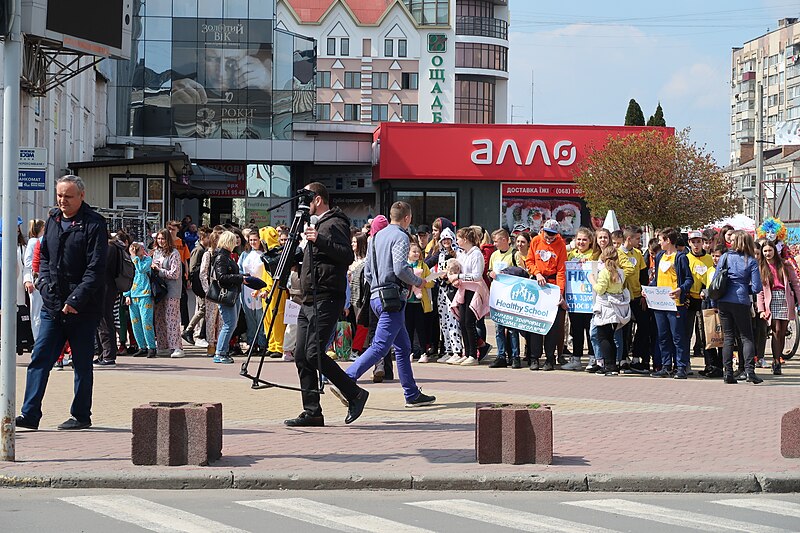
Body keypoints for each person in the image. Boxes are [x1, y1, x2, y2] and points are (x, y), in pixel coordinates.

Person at [16, 175, 108, 431]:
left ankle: (80, 415)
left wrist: (76, 299)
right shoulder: (54, 220)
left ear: (82, 196)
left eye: (68, 196)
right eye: (59, 195)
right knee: (40, 358)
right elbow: (44, 257)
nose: (62, 201)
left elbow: (95, 268)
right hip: (52, 305)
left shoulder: (94, 224)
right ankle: (30, 414)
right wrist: (44, 285)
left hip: (82, 308)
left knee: (81, 363)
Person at [285, 182, 370, 427]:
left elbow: (345, 255)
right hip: (308, 298)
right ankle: (312, 412)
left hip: (327, 296)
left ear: (318, 199)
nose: (305, 203)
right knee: (302, 355)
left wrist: (319, 239)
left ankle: (354, 393)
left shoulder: (335, 222)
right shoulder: (315, 225)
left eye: (308, 198)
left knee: (313, 353)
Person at [343, 201, 436, 408]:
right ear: (407, 218)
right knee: (380, 347)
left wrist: (378, 285)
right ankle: (347, 379)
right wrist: (418, 281)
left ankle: (411, 393)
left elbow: (367, 271)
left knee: (403, 347)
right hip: (392, 299)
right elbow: (400, 268)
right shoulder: (401, 236)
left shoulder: (376, 237)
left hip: (377, 296)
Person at [712, 230, 763, 384]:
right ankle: (749, 371)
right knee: (746, 336)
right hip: (740, 300)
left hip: (724, 300)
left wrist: (715, 302)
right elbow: (756, 287)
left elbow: (715, 280)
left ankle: (728, 373)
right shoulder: (751, 261)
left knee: (728, 337)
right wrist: (744, 288)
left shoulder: (725, 257)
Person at [649, 227, 694, 379]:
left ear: (668, 241)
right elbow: (657, 278)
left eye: (661, 240)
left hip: (675, 303)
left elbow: (689, 279)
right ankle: (665, 365)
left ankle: (681, 366)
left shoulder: (680, 257)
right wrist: (649, 289)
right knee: (662, 335)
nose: (659, 243)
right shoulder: (660, 255)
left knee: (678, 336)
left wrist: (681, 289)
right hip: (660, 302)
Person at [526, 219, 568, 371]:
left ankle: (550, 358)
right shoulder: (536, 241)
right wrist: (536, 273)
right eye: (547, 234)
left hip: (553, 284)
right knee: (536, 323)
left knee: (552, 325)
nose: (549, 238)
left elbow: (562, 270)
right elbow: (529, 261)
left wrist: (560, 292)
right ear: (542, 230)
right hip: (538, 283)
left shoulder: (561, 244)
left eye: (553, 235)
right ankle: (534, 358)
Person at [757, 240, 800, 376]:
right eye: (765, 251)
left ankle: (778, 358)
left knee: (782, 332)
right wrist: (761, 309)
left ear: (775, 251)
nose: (767, 253)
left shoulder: (785, 265)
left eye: (770, 250)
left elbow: (795, 283)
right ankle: (776, 362)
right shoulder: (761, 267)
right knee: (776, 330)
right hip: (771, 300)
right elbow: (760, 291)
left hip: (786, 299)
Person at [589, 246, 631, 375]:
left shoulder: (604, 272)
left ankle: (608, 365)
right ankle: (613, 364)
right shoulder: (620, 272)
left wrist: (592, 281)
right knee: (611, 336)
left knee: (602, 337)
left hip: (605, 307)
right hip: (616, 306)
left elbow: (600, 289)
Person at [487, 228, 521, 369]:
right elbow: (489, 270)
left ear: (505, 240)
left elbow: (521, 272)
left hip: (510, 296)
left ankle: (515, 356)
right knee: (498, 328)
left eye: (496, 241)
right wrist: (491, 274)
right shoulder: (494, 255)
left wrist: (508, 273)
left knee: (512, 328)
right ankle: (501, 355)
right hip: (498, 294)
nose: (495, 244)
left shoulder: (514, 254)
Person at [211, 231, 246, 364]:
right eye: (234, 240)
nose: (237, 243)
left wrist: (241, 276)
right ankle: (220, 352)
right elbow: (221, 277)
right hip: (227, 294)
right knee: (229, 324)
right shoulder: (222, 257)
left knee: (231, 324)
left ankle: (222, 351)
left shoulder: (226, 256)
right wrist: (240, 277)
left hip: (232, 293)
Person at [95, 232, 128, 366]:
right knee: (104, 319)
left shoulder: (108, 248)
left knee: (104, 319)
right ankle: (105, 354)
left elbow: (101, 268)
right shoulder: (114, 246)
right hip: (110, 286)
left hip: (105, 286)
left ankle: (108, 355)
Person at [152, 228, 184, 358]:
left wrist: (159, 270)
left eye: (163, 238)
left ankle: (177, 347)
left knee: (171, 318)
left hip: (172, 289)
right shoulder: (156, 252)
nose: (161, 241)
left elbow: (175, 273)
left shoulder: (174, 253)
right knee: (159, 318)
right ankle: (163, 346)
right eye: (159, 239)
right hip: (159, 290)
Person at [434, 227, 463, 363]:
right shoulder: (440, 254)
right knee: (443, 321)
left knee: (453, 320)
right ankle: (448, 349)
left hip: (453, 290)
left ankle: (457, 350)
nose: (446, 241)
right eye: (443, 239)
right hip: (442, 290)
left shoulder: (458, 253)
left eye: (448, 239)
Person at [124, 242, 157, 358]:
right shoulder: (130, 262)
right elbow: (127, 278)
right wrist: (126, 295)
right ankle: (141, 346)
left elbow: (142, 269)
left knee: (146, 322)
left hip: (145, 294)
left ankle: (151, 347)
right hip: (133, 295)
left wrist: (135, 258)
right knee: (135, 323)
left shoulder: (147, 260)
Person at [238, 228, 267, 355]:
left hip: (261, 287)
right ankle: (252, 343)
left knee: (260, 316)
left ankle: (262, 343)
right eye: (251, 240)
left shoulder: (265, 254)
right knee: (249, 317)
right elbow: (239, 269)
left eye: (255, 240)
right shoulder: (245, 254)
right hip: (247, 288)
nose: (253, 242)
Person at [183, 225, 212, 347]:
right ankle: (190, 330)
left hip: (202, 283)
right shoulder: (199, 250)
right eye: (209, 237)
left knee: (203, 309)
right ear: (203, 237)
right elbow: (193, 268)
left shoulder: (204, 249)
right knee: (202, 308)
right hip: (199, 284)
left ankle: (195, 332)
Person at [23, 219, 45, 340]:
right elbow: (28, 262)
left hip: (40, 279)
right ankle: (37, 339)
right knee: (37, 312)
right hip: (37, 279)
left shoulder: (35, 241)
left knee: (39, 312)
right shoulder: (34, 242)